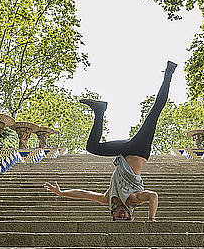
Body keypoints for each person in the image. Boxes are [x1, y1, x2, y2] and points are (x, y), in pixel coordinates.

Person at [44, 61, 177, 221]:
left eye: (118, 217)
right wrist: (151, 219)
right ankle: (169, 73)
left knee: (92, 147)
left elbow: (85, 194)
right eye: (125, 217)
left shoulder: (108, 199)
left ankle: (99, 111)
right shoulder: (134, 199)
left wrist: (61, 192)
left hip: (122, 151)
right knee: (155, 112)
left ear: (112, 214)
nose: (122, 215)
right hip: (139, 151)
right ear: (130, 214)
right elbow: (153, 196)